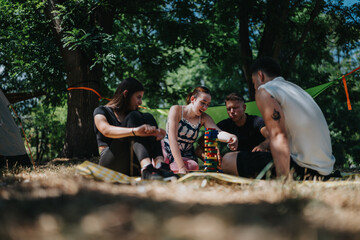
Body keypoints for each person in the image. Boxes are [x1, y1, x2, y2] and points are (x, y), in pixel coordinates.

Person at [250, 57, 336, 179]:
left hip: (304, 169)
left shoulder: (264, 91)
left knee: (229, 160)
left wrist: (283, 181)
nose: (254, 87)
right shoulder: (296, 90)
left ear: (260, 75)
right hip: (326, 171)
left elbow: (278, 135)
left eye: (254, 83)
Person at [93, 77, 176, 180]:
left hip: (132, 163)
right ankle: (146, 168)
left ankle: (160, 165)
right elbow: (106, 130)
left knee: (148, 117)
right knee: (134, 116)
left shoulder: (136, 116)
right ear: (126, 94)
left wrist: (155, 134)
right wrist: (135, 131)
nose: (140, 102)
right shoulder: (101, 111)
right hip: (111, 162)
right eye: (138, 97)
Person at [163, 86, 238, 174]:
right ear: (193, 99)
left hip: (187, 154)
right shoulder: (176, 110)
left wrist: (231, 137)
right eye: (203, 102)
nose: (205, 107)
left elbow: (217, 132)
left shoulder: (204, 118)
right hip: (168, 149)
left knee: (193, 166)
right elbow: (172, 139)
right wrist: (181, 167)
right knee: (170, 167)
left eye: (208, 104)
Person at [215, 93, 273, 178]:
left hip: (257, 159)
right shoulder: (225, 124)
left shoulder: (256, 121)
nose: (231, 112)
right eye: (228, 109)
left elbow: (272, 137)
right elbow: (203, 141)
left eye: (235, 108)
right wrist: (214, 150)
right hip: (238, 162)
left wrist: (263, 145)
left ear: (244, 108)